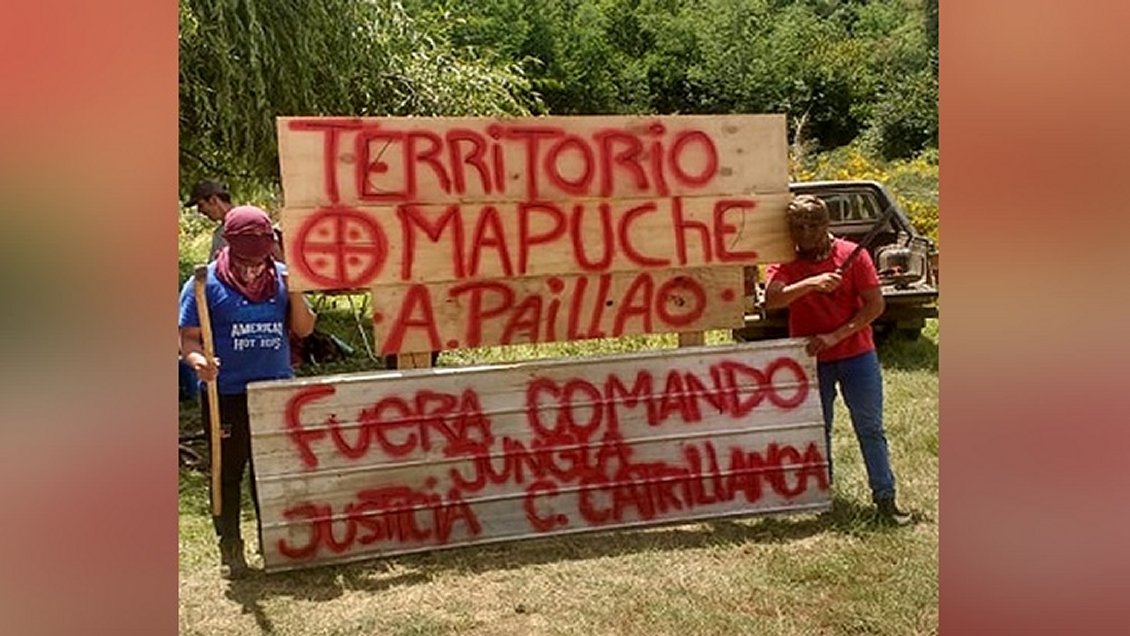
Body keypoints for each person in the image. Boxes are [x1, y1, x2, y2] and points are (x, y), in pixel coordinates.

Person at [178, 206, 317, 578]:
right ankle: (230, 549)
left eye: (260, 259)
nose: (253, 268)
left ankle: (274, 544)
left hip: (274, 393)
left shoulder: (284, 279)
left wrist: (297, 294)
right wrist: (197, 363)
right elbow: (188, 340)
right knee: (228, 472)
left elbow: (303, 331)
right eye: (245, 260)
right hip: (226, 394)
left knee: (270, 473)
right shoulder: (203, 284)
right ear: (229, 246)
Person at [764, 194, 911, 525]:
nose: (804, 234)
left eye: (811, 226)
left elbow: (874, 306)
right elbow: (772, 301)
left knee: (870, 429)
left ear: (825, 225)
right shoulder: (786, 261)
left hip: (856, 355)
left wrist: (834, 336)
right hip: (811, 360)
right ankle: (821, 499)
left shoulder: (852, 256)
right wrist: (811, 283)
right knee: (818, 430)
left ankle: (885, 499)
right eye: (797, 227)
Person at [184, 179, 236, 261]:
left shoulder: (248, 223)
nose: (199, 211)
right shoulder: (219, 233)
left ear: (213, 200)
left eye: (201, 205)